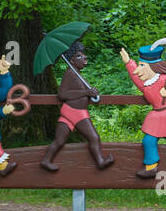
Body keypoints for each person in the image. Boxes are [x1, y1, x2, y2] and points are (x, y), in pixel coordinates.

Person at [122, 43, 166, 179]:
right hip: (155, 116)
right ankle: (151, 167)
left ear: (152, 66)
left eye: (142, 66)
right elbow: (136, 78)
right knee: (148, 141)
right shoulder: (147, 83)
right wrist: (128, 62)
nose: (139, 69)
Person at [40, 41, 114, 172]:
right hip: (76, 112)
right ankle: (100, 161)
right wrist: (86, 92)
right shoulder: (70, 73)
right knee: (94, 137)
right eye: (79, 56)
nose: (84, 57)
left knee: (59, 141)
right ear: (72, 61)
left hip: (70, 112)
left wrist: (91, 94)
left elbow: (80, 91)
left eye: (83, 55)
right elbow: (62, 94)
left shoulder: (77, 74)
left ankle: (46, 161)